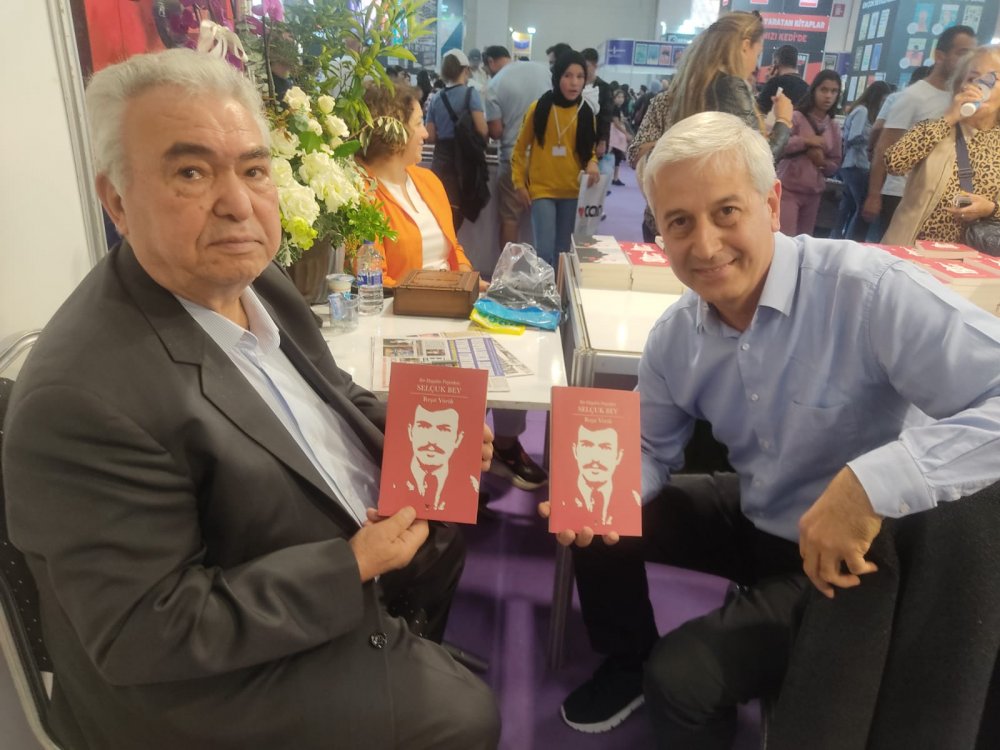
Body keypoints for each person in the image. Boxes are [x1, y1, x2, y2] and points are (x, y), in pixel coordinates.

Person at [2, 49, 500, 750]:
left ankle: (396, 645)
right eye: (191, 172)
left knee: (444, 536)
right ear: (116, 200)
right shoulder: (81, 399)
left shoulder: (254, 278)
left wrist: (417, 428)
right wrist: (350, 566)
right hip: (199, 688)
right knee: (467, 717)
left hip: (306, 552)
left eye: (254, 169)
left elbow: (330, 391)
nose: (237, 204)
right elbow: (147, 629)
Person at [542, 110, 1000, 744]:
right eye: (680, 222)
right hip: (761, 509)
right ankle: (627, 659)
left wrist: (872, 483)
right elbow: (646, 445)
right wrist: (602, 493)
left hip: (854, 561)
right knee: (601, 519)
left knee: (681, 680)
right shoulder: (677, 335)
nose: (706, 246)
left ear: (772, 202)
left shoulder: (867, 291)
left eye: (726, 212)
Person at [357, 83, 548, 492]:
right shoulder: (359, 192)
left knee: (517, 342)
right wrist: (447, 292)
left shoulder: (427, 180)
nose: (426, 133)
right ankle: (456, 473)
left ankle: (503, 444)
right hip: (404, 315)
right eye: (417, 123)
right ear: (393, 131)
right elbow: (373, 278)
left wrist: (471, 281)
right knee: (464, 370)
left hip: (451, 302)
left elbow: (452, 247)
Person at [629, 11, 792, 242]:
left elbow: (636, 153)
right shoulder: (731, 88)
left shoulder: (673, 96)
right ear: (745, 46)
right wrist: (784, 121)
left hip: (666, 216)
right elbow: (759, 160)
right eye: (757, 53)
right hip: (709, 221)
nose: (755, 65)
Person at [863, 25, 978, 238]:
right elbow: (884, 148)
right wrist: (873, 195)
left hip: (941, 198)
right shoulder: (913, 97)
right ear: (940, 55)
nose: (968, 61)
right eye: (962, 53)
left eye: (972, 54)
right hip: (901, 193)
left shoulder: (964, 98)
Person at [883, 45, 1000, 245]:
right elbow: (894, 163)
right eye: (972, 79)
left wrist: (990, 209)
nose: (980, 87)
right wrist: (948, 118)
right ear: (959, 86)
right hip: (910, 250)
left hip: (969, 258)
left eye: (991, 79)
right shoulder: (937, 128)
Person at [511, 50, 600, 267]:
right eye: (568, 76)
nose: (574, 82)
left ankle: (560, 289)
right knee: (544, 250)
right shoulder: (539, 108)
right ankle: (544, 289)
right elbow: (520, 149)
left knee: (564, 250)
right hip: (542, 190)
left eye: (580, 76)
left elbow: (589, 151)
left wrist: (592, 163)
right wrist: (519, 183)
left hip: (572, 191)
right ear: (558, 76)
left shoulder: (586, 112)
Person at [482, 45, 551, 251]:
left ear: (491, 62)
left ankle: (509, 267)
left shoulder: (494, 84)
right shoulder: (543, 71)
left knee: (510, 218)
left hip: (514, 160)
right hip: (547, 160)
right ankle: (547, 266)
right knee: (546, 220)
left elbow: (496, 131)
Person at [424, 49, 488, 230]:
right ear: (465, 70)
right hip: (463, 164)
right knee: (455, 215)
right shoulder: (471, 94)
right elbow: (482, 129)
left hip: (440, 162)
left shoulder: (437, 97)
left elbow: (430, 135)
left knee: (440, 212)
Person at [776, 70, 843, 236]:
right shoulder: (796, 117)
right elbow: (779, 145)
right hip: (788, 188)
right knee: (785, 239)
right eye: (824, 90)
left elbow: (835, 163)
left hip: (814, 193)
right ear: (814, 90)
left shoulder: (833, 126)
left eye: (834, 91)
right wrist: (805, 141)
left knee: (805, 242)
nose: (828, 96)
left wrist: (822, 162)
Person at [831, 80, 891, 241]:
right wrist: (874, 139)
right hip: (857, 163)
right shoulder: (863, 111)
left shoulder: (858, 109)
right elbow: (854, 136)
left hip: (851, 164)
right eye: (882, 100)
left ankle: (838, 238)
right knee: (861, 207)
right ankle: (853, 240)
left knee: (848, 206)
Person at [569, 424, 641, 527]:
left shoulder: (633, 500)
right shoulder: (558, 498)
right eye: (587, 445)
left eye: (605, 448)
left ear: (618, 456)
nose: (595, 458)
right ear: (575, 451)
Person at [581, 48, 615, 174]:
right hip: (579, 135)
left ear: (595, 66)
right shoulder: (577, 84)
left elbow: (607, 117)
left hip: (597, 136)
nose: (583, 69)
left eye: (586, 66)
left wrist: (603, 141)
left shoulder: (604, 87)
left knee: (595, 173)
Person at [756, 44, 809, 114]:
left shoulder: (773, 84)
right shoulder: (807, 88)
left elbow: (758, 110)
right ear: (796, 63)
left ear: (776, 63)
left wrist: (768, 83)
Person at [608, 88, 631, 186]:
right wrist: (626, 133)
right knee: (613, 154)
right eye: (618, 97)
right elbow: (616, 123)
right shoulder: (615, 108)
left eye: (622, 97)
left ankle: (615, 177)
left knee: (616, 155)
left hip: (615, 134)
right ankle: (613, 177)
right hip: (614, 134)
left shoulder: (617, 108)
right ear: (614, 98)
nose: (621, 99)